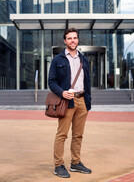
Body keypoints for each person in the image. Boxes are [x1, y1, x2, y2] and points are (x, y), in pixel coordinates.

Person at [48, 28, 92, 178]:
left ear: (77, 40)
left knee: (78, 135)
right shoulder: (58, 60)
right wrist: (62, 92)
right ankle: (58, 165)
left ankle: (75, 163)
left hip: (82, 101)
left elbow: (88, 82)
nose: (73, 40)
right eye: (70, 38)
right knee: (62, 135)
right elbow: (51, 82)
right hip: (67, 101)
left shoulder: (84, 59)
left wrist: (88, 102)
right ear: (65, 41)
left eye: (75, 38)